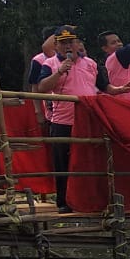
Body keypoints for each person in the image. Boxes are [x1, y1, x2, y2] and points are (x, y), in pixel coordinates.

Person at [34, 26, 100, 212]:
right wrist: (60, 71)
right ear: (56, 45)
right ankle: (63, 201)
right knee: (62, 163)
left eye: (71, 42)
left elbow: (103, 85)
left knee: (87, 161)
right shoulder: (51, 64)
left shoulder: (91, 63)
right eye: (63, 43)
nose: (68, 46)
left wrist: (118, 90)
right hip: (62, 121)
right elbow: (42, 87)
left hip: (87, 120)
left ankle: (87, 199)